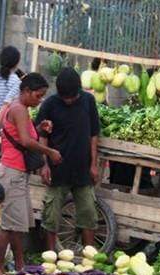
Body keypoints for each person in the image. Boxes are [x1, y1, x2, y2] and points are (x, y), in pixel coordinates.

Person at [0, 73, 62, 272]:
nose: (39, 100)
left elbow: (23, 135)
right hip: (11, 172)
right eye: (38, 95)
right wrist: (49, 151)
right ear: (26, 91)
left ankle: (20, 265)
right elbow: (24, 141)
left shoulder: (20, 108)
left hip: (16, 172)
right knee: (8, 225)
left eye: (42, 96)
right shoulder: (18, 109)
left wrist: (39, 129)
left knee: (17, 224)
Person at [36, 67, 100, 250]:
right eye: (66, 98)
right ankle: (50, 256)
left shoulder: (88, 101)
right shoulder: (50, 104)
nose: (69, 100)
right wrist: (45, 164)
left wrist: (93, 164)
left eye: (73, 97)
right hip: (57, 171)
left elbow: (94, 135)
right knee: (51, 217)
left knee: (89, 214)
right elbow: (42, 136)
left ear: (79, 91)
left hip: (83, 170)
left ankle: (89, 258)